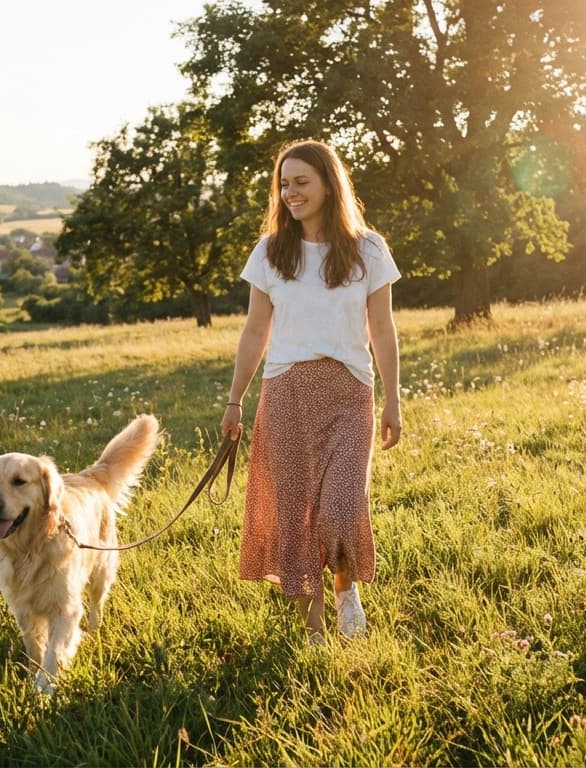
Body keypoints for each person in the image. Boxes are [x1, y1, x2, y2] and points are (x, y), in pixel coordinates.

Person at [220, 138, 401, 645]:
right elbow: (256, 330)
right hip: (286, 392)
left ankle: (347, 593)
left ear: (328, 184)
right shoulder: (271, 251)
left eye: (301, 182)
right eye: (283, 184)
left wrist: (393, 399)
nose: (290, 193)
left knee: (343, 507)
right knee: (294, 514)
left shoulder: (368, 249)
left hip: (349, 391)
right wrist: (235, 399)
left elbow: (383, 330)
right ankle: (314, 630)